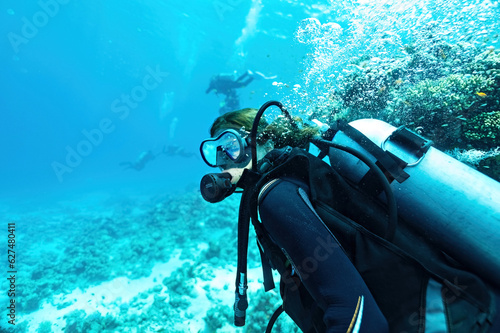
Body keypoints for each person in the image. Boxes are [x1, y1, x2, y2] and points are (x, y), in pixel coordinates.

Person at [199, 105, 499, 332]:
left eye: (230, 145)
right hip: (465, 310)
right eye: (217, 151)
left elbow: (355, 310)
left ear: (259, 139)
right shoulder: (300, 179)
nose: (223, 158)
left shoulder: (275, 196)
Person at [206, 70, 276, 114]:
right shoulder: (219, 87)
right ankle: (249, 75)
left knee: (241, 84)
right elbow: (229, 93)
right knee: (239, 82)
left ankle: (249, 75)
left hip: (229, 85)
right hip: (230, 85)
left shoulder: (218, 86)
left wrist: (208, 91)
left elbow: (227, 92)